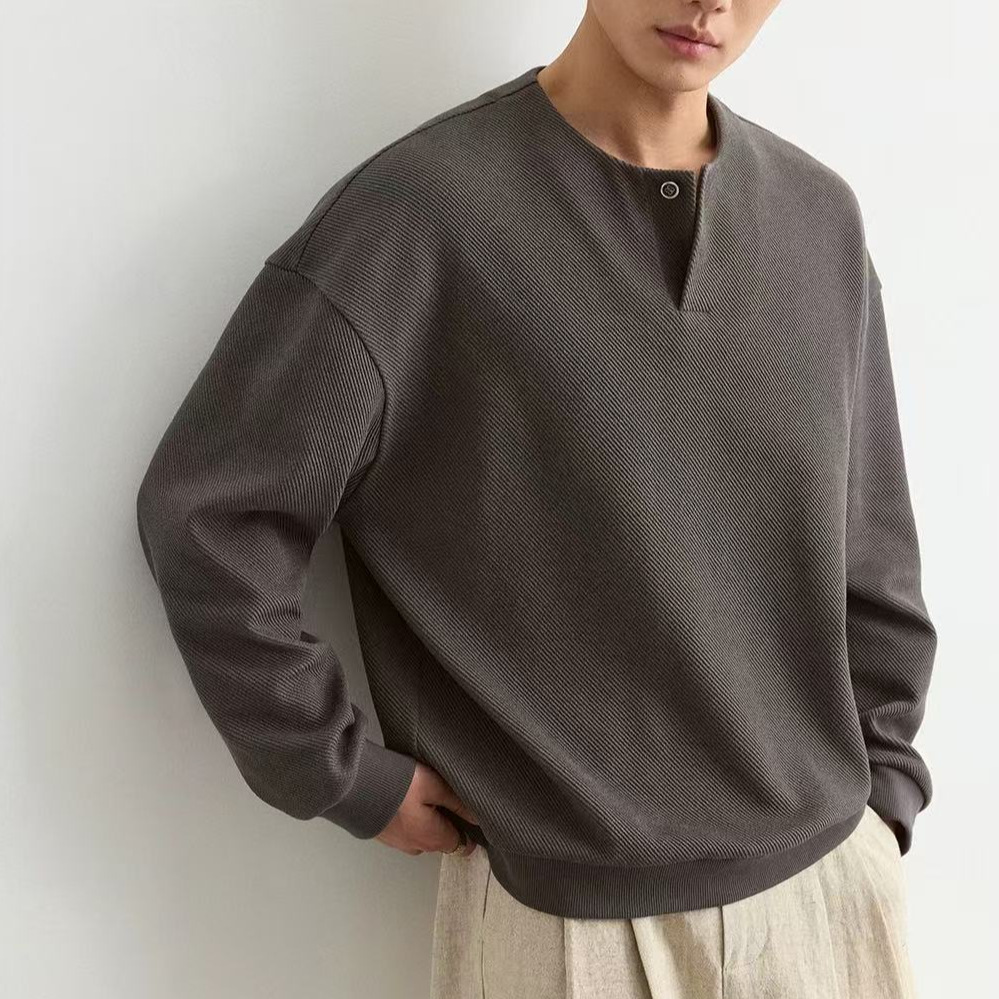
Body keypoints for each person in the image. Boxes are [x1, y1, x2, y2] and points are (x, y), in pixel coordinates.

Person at [135, 1, 936, 995]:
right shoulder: (419, 215)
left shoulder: (818, 219)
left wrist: (885, 793)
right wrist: (336, 772)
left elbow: (872, 545)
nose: (710, 2)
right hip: (563, 923)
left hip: (827, 901)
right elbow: (211, 514)